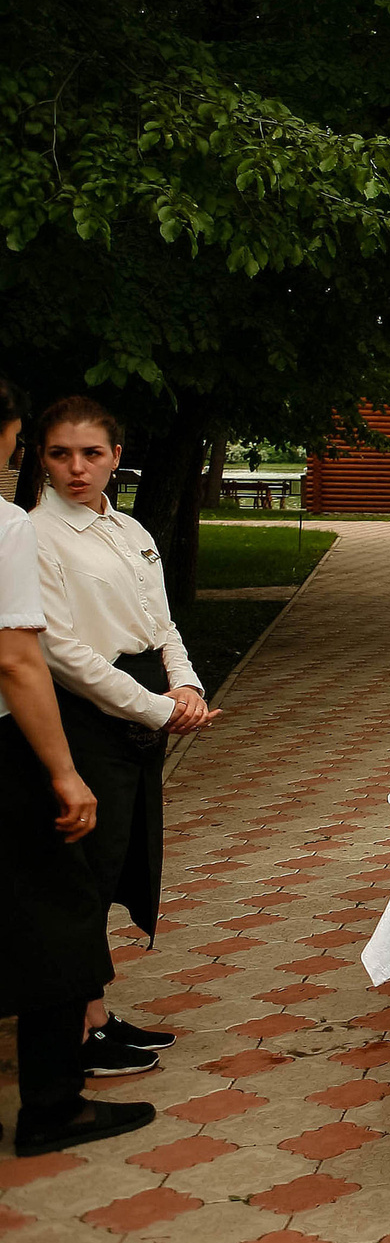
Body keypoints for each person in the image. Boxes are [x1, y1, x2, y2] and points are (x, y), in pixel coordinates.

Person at [29, 399, 213, 1084]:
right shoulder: (35, 535)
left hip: (142, 712)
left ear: (116, 456)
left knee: (112, 867)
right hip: (87, 716)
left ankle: (95, 1013)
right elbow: (61, 653)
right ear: (40, 458)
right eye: (60, 454)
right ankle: (78, 1030)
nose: (77, 468)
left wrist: (186, 686)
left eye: (92, 453)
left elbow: (162, 624)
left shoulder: (130, 527)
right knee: (80, 876)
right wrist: (155, 709)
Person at [0, 378, 112, 1158]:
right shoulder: (9, 526)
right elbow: (18, 659)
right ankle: (52, 1103)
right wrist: (65, 773)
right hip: (7, 748)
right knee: (59, 914)